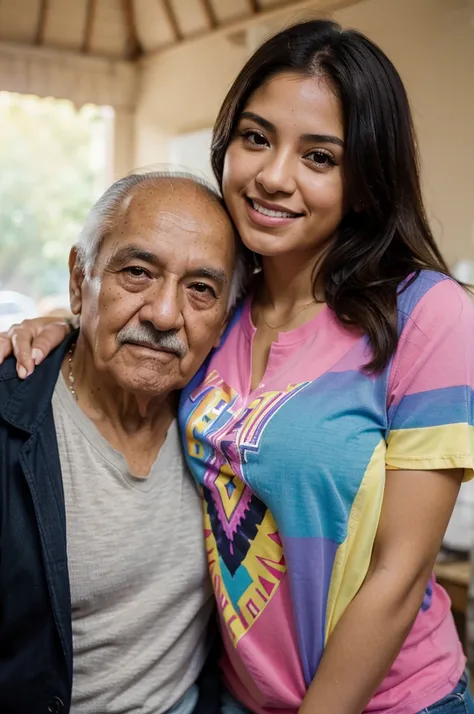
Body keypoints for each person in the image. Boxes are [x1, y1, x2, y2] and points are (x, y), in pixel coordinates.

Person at [2, 18, 474, 714]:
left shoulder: (428, 313)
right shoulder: (220, 310)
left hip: (388, 699)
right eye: (256, 138)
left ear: (367, 178)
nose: (273, 177)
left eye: (320, 157)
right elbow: (140, 314)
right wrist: (67, 322)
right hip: (240, 697)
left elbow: (399, 575)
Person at [0, 171, 248, 714]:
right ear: (78, 279)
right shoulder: (9, 420)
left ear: (225, 318)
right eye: (137, 273)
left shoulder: (231, 427)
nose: (164, 314)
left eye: (201, 289)